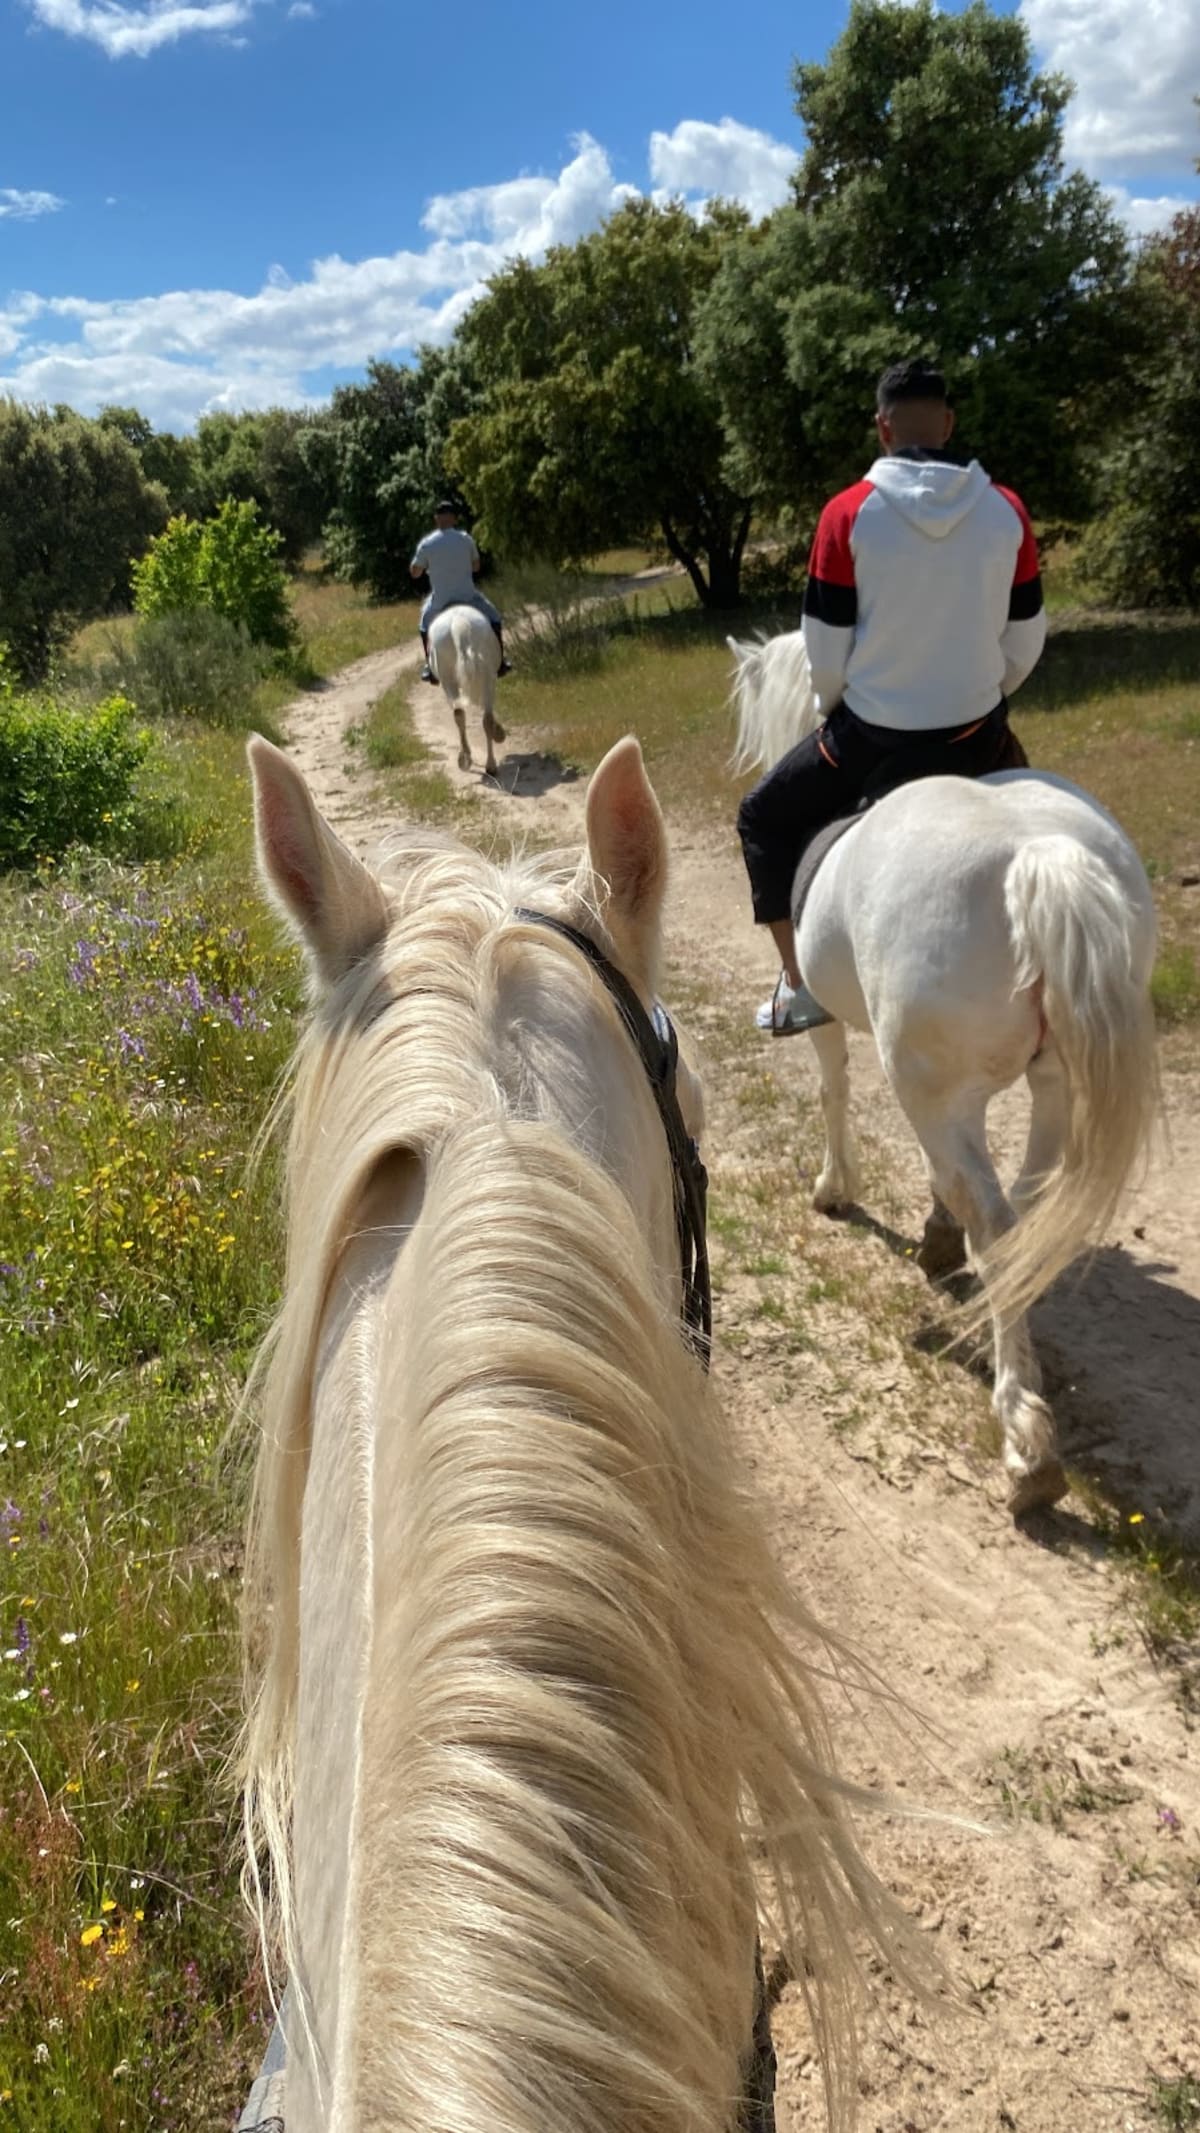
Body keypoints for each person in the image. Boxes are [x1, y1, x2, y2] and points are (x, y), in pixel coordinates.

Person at [737, 357, 1046, 1034]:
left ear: (882, 428)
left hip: (874, 737)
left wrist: (836, 707)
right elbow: (1025, 640)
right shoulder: (1007, 510)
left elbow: (824, 653)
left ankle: (801, 989)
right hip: (980, 733)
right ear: (947, 422)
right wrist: (981, 694)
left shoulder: (847, 515)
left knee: (761, 816)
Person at [410, 501, 512, 682]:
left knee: (424, 625)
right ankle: (501, 662)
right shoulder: (466, 539)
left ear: (436, 519)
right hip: (468, 598)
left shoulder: (427, 543)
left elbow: (415, 573)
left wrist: (427, 568)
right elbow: (476, 567)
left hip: (440, 601)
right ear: (454, 518)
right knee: (495, 618)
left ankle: (429, 667)